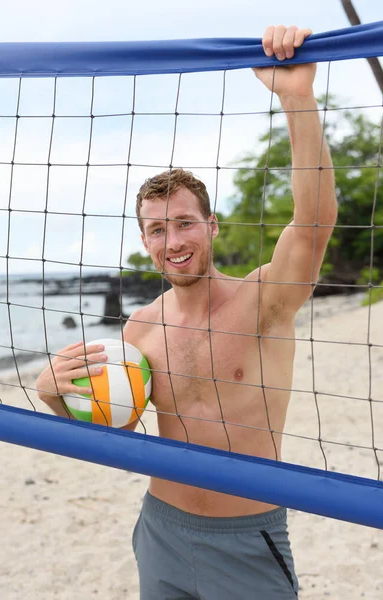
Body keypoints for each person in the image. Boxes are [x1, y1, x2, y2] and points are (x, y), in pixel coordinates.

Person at [37, 25, 337, 600]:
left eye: (184, 222)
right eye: (157, 228)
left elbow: (315, 222)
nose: (172, 240)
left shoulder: (264, 300)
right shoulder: (140, 328)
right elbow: (113, 427)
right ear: (145, 240)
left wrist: (296, 98)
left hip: (249, 538)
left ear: (211, 225)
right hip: (161, 532)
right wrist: (56, 396)